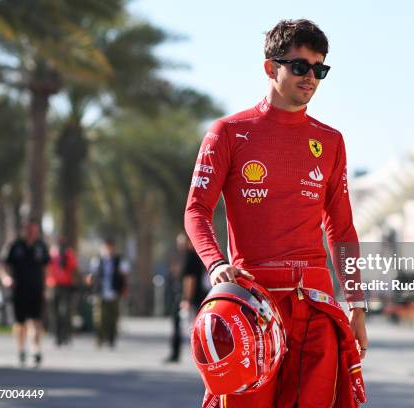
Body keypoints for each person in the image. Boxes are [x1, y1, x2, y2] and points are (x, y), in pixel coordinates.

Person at [184, 19, 368, 406]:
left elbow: (342, 229)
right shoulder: (228, 132)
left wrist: (356, 304)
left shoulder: (331, 141)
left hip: (316, 308)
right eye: (300, 67)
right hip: (253, 308)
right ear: (271, 68)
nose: (311, 78)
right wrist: (216, 265)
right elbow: (197, 211)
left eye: (320, 70)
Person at [0, 219, 50, 367]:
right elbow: (2, 265)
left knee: (36, 321)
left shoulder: (41, 246)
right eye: (29, 230)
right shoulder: (14, 246)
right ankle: (21, 349)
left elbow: (47, 267)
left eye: (34, 231)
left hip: (36, 289)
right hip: (18, 290)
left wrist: (47, 287)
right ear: (23, 230)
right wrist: (5, 278)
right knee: (20, 323)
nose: (31, 234)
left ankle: (36, 350)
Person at [165, 232, 208, 363]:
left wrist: (186, 299)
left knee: (186, 326)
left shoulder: (190, 257)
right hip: (197, 297)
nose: (180, 246)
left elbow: (190, 280)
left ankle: (180, 354)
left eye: (182, 243)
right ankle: (202, 355)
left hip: (191, 299)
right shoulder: (194, 257)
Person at [86, 238, 129, 349]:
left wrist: (124, 288)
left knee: (112, 318)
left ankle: (111, 339)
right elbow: (91, 275)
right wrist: (89, 281)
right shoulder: (97, 260)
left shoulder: (119, 260)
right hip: (100, 292)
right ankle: (99, 338)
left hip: (114, 292)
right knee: (99, 318)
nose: (108, 250)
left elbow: (124, 275)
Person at [47, 236, 78, 346]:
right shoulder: (52, 254)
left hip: (66, 286)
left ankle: (66, 335)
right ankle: (57, 336)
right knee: (55, 313)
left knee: (65, 312)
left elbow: (74, 269)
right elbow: (47, 269)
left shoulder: (69, 254)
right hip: (54, 286)